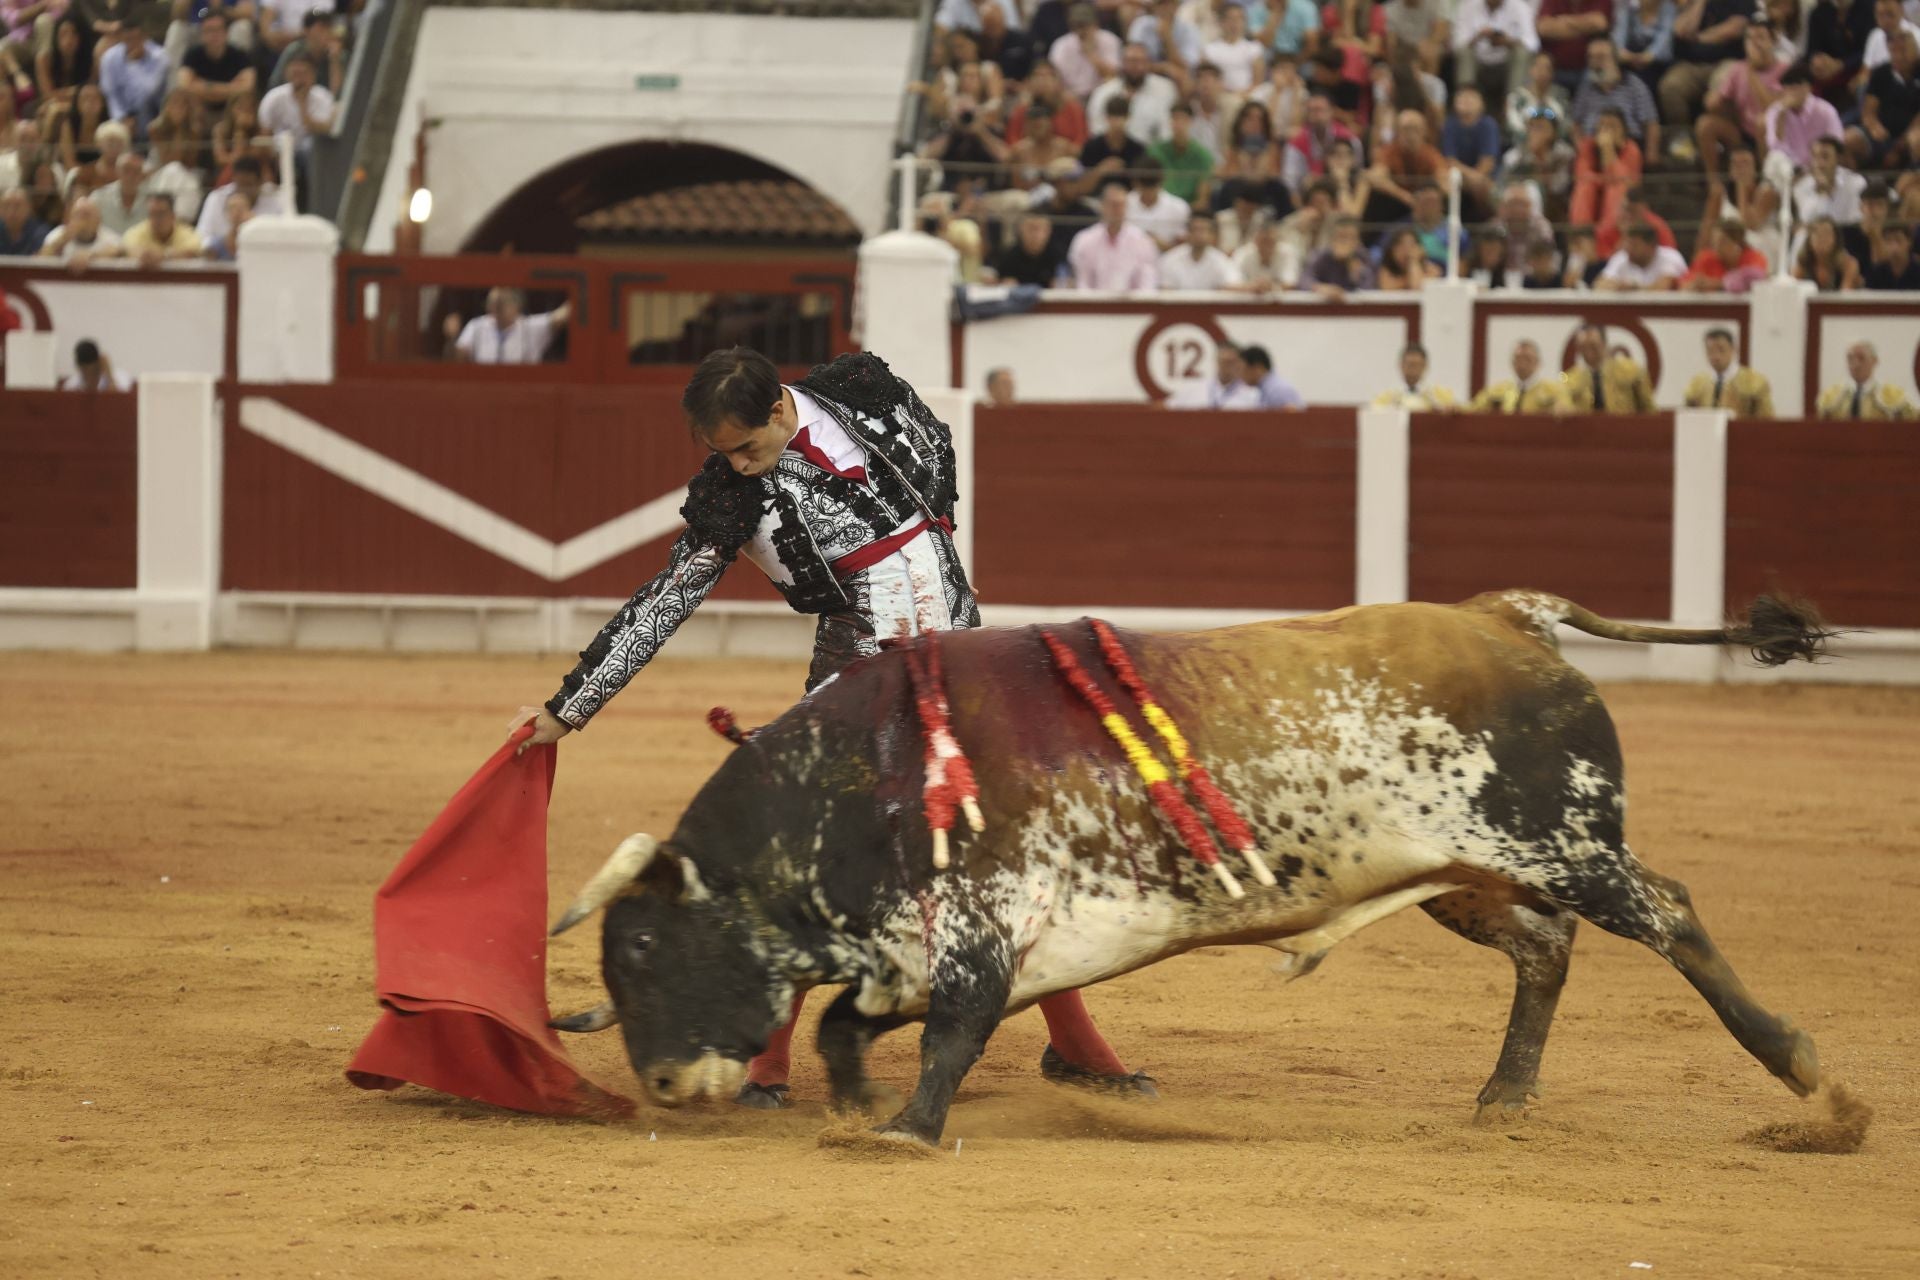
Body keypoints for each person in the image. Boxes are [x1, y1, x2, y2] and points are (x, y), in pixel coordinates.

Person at [514, 347, 1148, 1109]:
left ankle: (1075, 1047)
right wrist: (570, 707)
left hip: (961, 658)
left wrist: (934, 542)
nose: (741, 466)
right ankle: (769, 1068)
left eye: (748, 447)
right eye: (725, 455)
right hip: (860, 681)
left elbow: (936, 447)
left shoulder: (860, 392)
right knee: (820, 859)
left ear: (781, 407)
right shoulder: (731, 497)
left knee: (1001, 847)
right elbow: (666, 600)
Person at [1659, 0, 1750, 153]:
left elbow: (1736, 28)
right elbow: (1681, 29)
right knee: (1670, 87)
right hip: (1692, 65)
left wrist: (1699, 38)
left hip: (1728, 62)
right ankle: (1684, 143)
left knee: (1718, 92)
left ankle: (1718, 141)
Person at [1571, 39, 1661, 155]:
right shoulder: (1585, 89)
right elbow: (1575, 126)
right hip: (1592, 148)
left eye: (1601, 57)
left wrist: (1651, 155)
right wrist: (1581, 149)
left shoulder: (1634, 85)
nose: (1595, 63)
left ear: (1615, 59)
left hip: (1627, 147)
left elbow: (1650, 124)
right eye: (1591, 58)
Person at [1069, 179, 1161, 289]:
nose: (1117, 210)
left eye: (1121, 205)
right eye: (1113, 204)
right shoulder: (1084, 240)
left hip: (1132, 304)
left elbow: (1147, 285)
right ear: (1102, 206)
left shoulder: (1143, 241)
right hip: (1094, 303)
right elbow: (1082, 283)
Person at [446, 287, 572, 364]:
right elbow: (458, 358)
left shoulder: (530, 327)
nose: (494, 309)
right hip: (484, 390)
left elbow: (563, 314)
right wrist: (452, 337)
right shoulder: (477, 326)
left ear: (516, 306)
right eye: (491, 304)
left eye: (500, 304)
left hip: (522, 391)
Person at [1088, 41, 1181, 144]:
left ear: (1149, 63)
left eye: (1141, 61)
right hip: (1112, 153)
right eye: (1131, 61)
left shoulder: (1165, 89)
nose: (1137, 66)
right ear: (1122, 63)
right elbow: (1096, 130)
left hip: (1152, 154)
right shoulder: (1103, 93)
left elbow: (1168, 131)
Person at [1451, 0, 1540, 106]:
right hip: (1478, 61)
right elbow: (1456, 44)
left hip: (1506, 62)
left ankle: (1513, 106)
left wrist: (1508, 42)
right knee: (1465, 51)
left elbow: (1533, 44)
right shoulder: (1467, 5)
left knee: (1522, 53)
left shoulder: (1520, 7)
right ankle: (1466, 104)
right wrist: (1478, 37)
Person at [1569, 105, 1641, 232]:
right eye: (1602, 126)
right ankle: (1581, 235)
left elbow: (1628, 182)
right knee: (1585, 187)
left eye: (1612, 126)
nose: (1606, 131)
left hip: (1621, 202)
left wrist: (1608, 150)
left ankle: (1608, 237)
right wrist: (1605, 179)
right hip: (1594, 194)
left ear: (1623, 130)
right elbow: (1581, 176)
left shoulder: (1631, 149)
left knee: (1616, 189)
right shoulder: (1587, 145)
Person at [1764, 63, 1844, 170]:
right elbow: (1775, 147)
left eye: (1797, 87)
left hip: (1820, 166)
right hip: (1790, 171)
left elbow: (1836, 143)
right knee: (1775, 160)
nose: (1793, 92)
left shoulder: (1826, 111)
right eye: (1789, 87)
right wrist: (1781, 116)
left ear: (1809, 87)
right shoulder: (1775, 112)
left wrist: (1816, 164)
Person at [1560, 322, 1654, 412]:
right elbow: (1562, 399)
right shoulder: (1571, 378)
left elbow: (1648, 408)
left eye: (1593, 346)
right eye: (1583, 347)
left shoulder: (1630, 370)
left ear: (1604, 344)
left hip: (1624, 427)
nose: (1588, 352)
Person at [1682, 327, 1774, 415]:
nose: (1715, 356)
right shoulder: (1696, 384)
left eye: (1721, 350)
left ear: (1734, 349)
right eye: (1710, 351)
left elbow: (1766, 420)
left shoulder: (1755, 382)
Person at [177, 10, 254, 114]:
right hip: (199, 113)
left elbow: (247, 88)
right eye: (209, 30)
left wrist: (202, 86)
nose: (214, 35)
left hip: (232, 114)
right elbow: (184, 86)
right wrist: (231, 88)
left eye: (218, 29)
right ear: (202, 33)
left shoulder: (240, 55)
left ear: (226, 32)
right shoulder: (192, 55)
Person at [98, 20, 168, 136]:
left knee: (145, 112)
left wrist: (134, 65)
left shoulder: (160, 57)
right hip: (123, 113)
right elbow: (111, 94)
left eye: (136, 39)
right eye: (128, 39)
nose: (132, 44)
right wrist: (122, 118)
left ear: (145, 37)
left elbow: (149, 92)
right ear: (121, 38)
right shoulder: (109, 58)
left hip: (154, 111)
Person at [1815, 340, 1916, 418]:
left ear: (1874, 361)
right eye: (1850, 358)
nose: (1855, 364)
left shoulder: (1892, 395)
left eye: (1861, 358)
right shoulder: (1831, 396)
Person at [1470, 339, 1570, 411]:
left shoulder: (1554, 391)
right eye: (1518, 359)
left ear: (1538, 363)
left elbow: (1567, 409)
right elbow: (1473, 408)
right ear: (1512, 363)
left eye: (1527, 359)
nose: (1522, 364)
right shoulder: (1497, 390)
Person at [1148, 100, 1215, 205]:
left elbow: (1202, 198)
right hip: (1162, 208)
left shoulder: (1203, 156)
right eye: (1175, 118)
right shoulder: (1155, 151)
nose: (1178, 124)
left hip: (1190, 210)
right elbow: (1150, 188)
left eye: (1183, 119)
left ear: (1191, 122)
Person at [1049, 2, 1122, 99]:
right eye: (1077, 26)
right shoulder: (1061, 45)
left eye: (1085, 25)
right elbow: (1054, 78)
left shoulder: (1110, 40)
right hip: (1070, 97)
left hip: (1101, 95)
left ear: (1096, 24)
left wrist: (1091, 54)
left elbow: (1113, 76)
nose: (1082, 30)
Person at [1157, 210, 1245, 288]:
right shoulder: (1170, 259)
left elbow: (1233, 284)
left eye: (1203, 230)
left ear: (1212, 235)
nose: (1198, 235)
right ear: (1187, 233)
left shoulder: (1221, 261)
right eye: (1194, 230)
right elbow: (1165, 291)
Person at [1792, 135, 1865, 226]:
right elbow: (1808, 221)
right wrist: (1822, 195)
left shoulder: (1855, 182)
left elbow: (1855, 220)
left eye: (1825, 156)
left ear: (1838, 158)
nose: (1819, 163)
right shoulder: (1802, 186)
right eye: (1815, 156)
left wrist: (1829, 191)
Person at [1682, 217, 1768, 291]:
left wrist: (1715, 284)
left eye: (1722, 242)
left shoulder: (1754, 258)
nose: (1716, 246)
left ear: (1737, 243)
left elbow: (1757, 282)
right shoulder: (1706, 258)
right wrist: (1694, 286)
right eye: (1714, 241)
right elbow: (1684, 285)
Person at [1595, 221, 1688, 289]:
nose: (1629, 249)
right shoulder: (1622, 257)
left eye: (1634, 245)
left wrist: (1632, 289)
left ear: (1651, 245)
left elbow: (1663, 287)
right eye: (1627, 244)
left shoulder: (1670, 257)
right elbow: (1600, 285)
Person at [1126, 157, 1192, 249]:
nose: (1148, 193)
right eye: (1144, 187)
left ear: (1161, 181)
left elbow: (1183, 248)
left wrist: (1164, 246)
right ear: (1134, 183)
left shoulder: (1179, 207)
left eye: (1152, 187)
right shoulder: (1123, 204)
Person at [985, 210, 1067, 285]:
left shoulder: (1057, 255)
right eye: (1031, 228)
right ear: (1020, 230)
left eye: (1039, 229)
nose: (1035, 235)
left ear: (1049, 231)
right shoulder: (1009, 256)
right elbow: (998, 281)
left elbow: (1067, 282)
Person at [122, 191, 205, 263]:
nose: (156, 219)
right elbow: (128, 247)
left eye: (161, 214)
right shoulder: (137, 231)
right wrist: (142, 255)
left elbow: (194, 250)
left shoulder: (186, 232)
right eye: (152, 214)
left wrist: (164, 256)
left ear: (173, 216)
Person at [1300, 213, 1374, 293]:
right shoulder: (1321, 255)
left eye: (1351, 237)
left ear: (1358, 241)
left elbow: (1370, 287)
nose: (1345, 242)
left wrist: (1356, 274)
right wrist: (1320, 288)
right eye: (1341, 236)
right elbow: (1303, 280)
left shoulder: (1363, 256)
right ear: (1332, 239)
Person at [38, 192, 123, 262]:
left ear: (98, 220)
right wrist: (62, 240)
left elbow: (119, 251)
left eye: (86, 215)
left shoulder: (107, 236)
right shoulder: (59, 234)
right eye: (77, 215)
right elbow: (41, 258)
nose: (82, 220)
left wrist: (92, 256)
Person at [1373, 342, 1455, 409]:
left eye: (1417, 365)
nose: (1413, 370)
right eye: (1409, 365)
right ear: (1400, 365)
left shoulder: (1440, 396)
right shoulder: (1385, 398)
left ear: (1425, 366)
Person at [1792, 215, 1863, 289]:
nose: (1822, 238)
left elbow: (1845, 295)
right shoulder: (1803, 265)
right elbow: (1795, 292)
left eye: (1827, 233)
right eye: (1817, 234)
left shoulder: (1848, 264)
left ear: (1836, 239)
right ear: (1809, 240)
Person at [1239, 343, 1305, 408]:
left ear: (1258, 367)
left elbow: (1292, 417)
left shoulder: (1278, 390)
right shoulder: (1267, 389)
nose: (1240, 375)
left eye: (1243, 369)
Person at [59, 338, 133, 391]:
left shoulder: (120, 376)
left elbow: (120, 401)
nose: (88, 375)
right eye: (84, 370)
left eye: (91, 370)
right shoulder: (72, 384)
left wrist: (109, 376)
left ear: (98, 364)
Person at [1864, 221, 1920, 288]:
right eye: (1888, 241)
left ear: (1909, 242)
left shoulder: (1917, 271)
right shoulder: (1876, 272)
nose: (1894, 246)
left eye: (1898, 240)